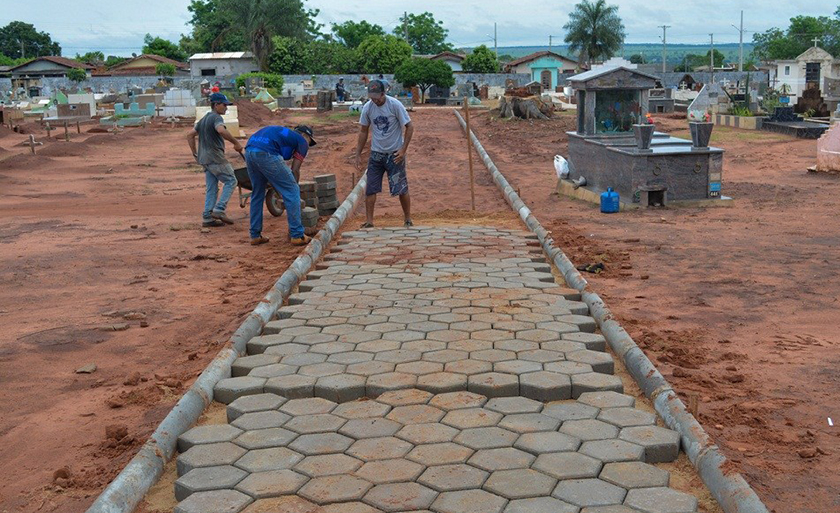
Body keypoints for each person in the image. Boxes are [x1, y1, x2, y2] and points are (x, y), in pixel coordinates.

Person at [354, 80, 413, 228]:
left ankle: (407, 218)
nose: (375, 100)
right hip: (376, 155)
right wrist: (358, 153)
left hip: (395, 155)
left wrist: (403, 150)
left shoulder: (395, 105)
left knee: (401, 187)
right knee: (371, 188)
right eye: (371, 97)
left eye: (377, 97)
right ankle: (369, 221)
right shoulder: (368, 108)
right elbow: (363, 131)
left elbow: (409, 127)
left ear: (383, 93)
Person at [244, 125, 317, 246]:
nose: (308, 145)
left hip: (250, 151)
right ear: (305, 135)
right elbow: (295, 169)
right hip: (267, 153)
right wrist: (293, 192)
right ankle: (297, 235)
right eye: (310, 141)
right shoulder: (302, 141)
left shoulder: (284, 135)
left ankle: (255, 235)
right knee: (292, 189)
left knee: (257, 193)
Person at [186, 92, 242, 227]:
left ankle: (207, 217)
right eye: (224, 105)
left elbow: (190, 135)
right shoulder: (216, 118)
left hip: (204, 158)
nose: (226, 108)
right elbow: (221, 131)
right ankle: (219, 209)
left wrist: (195, 154)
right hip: (215, 157)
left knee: (212, 187)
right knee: (231, 180)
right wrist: (236, 142)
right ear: (216, 105)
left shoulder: (203, 119)